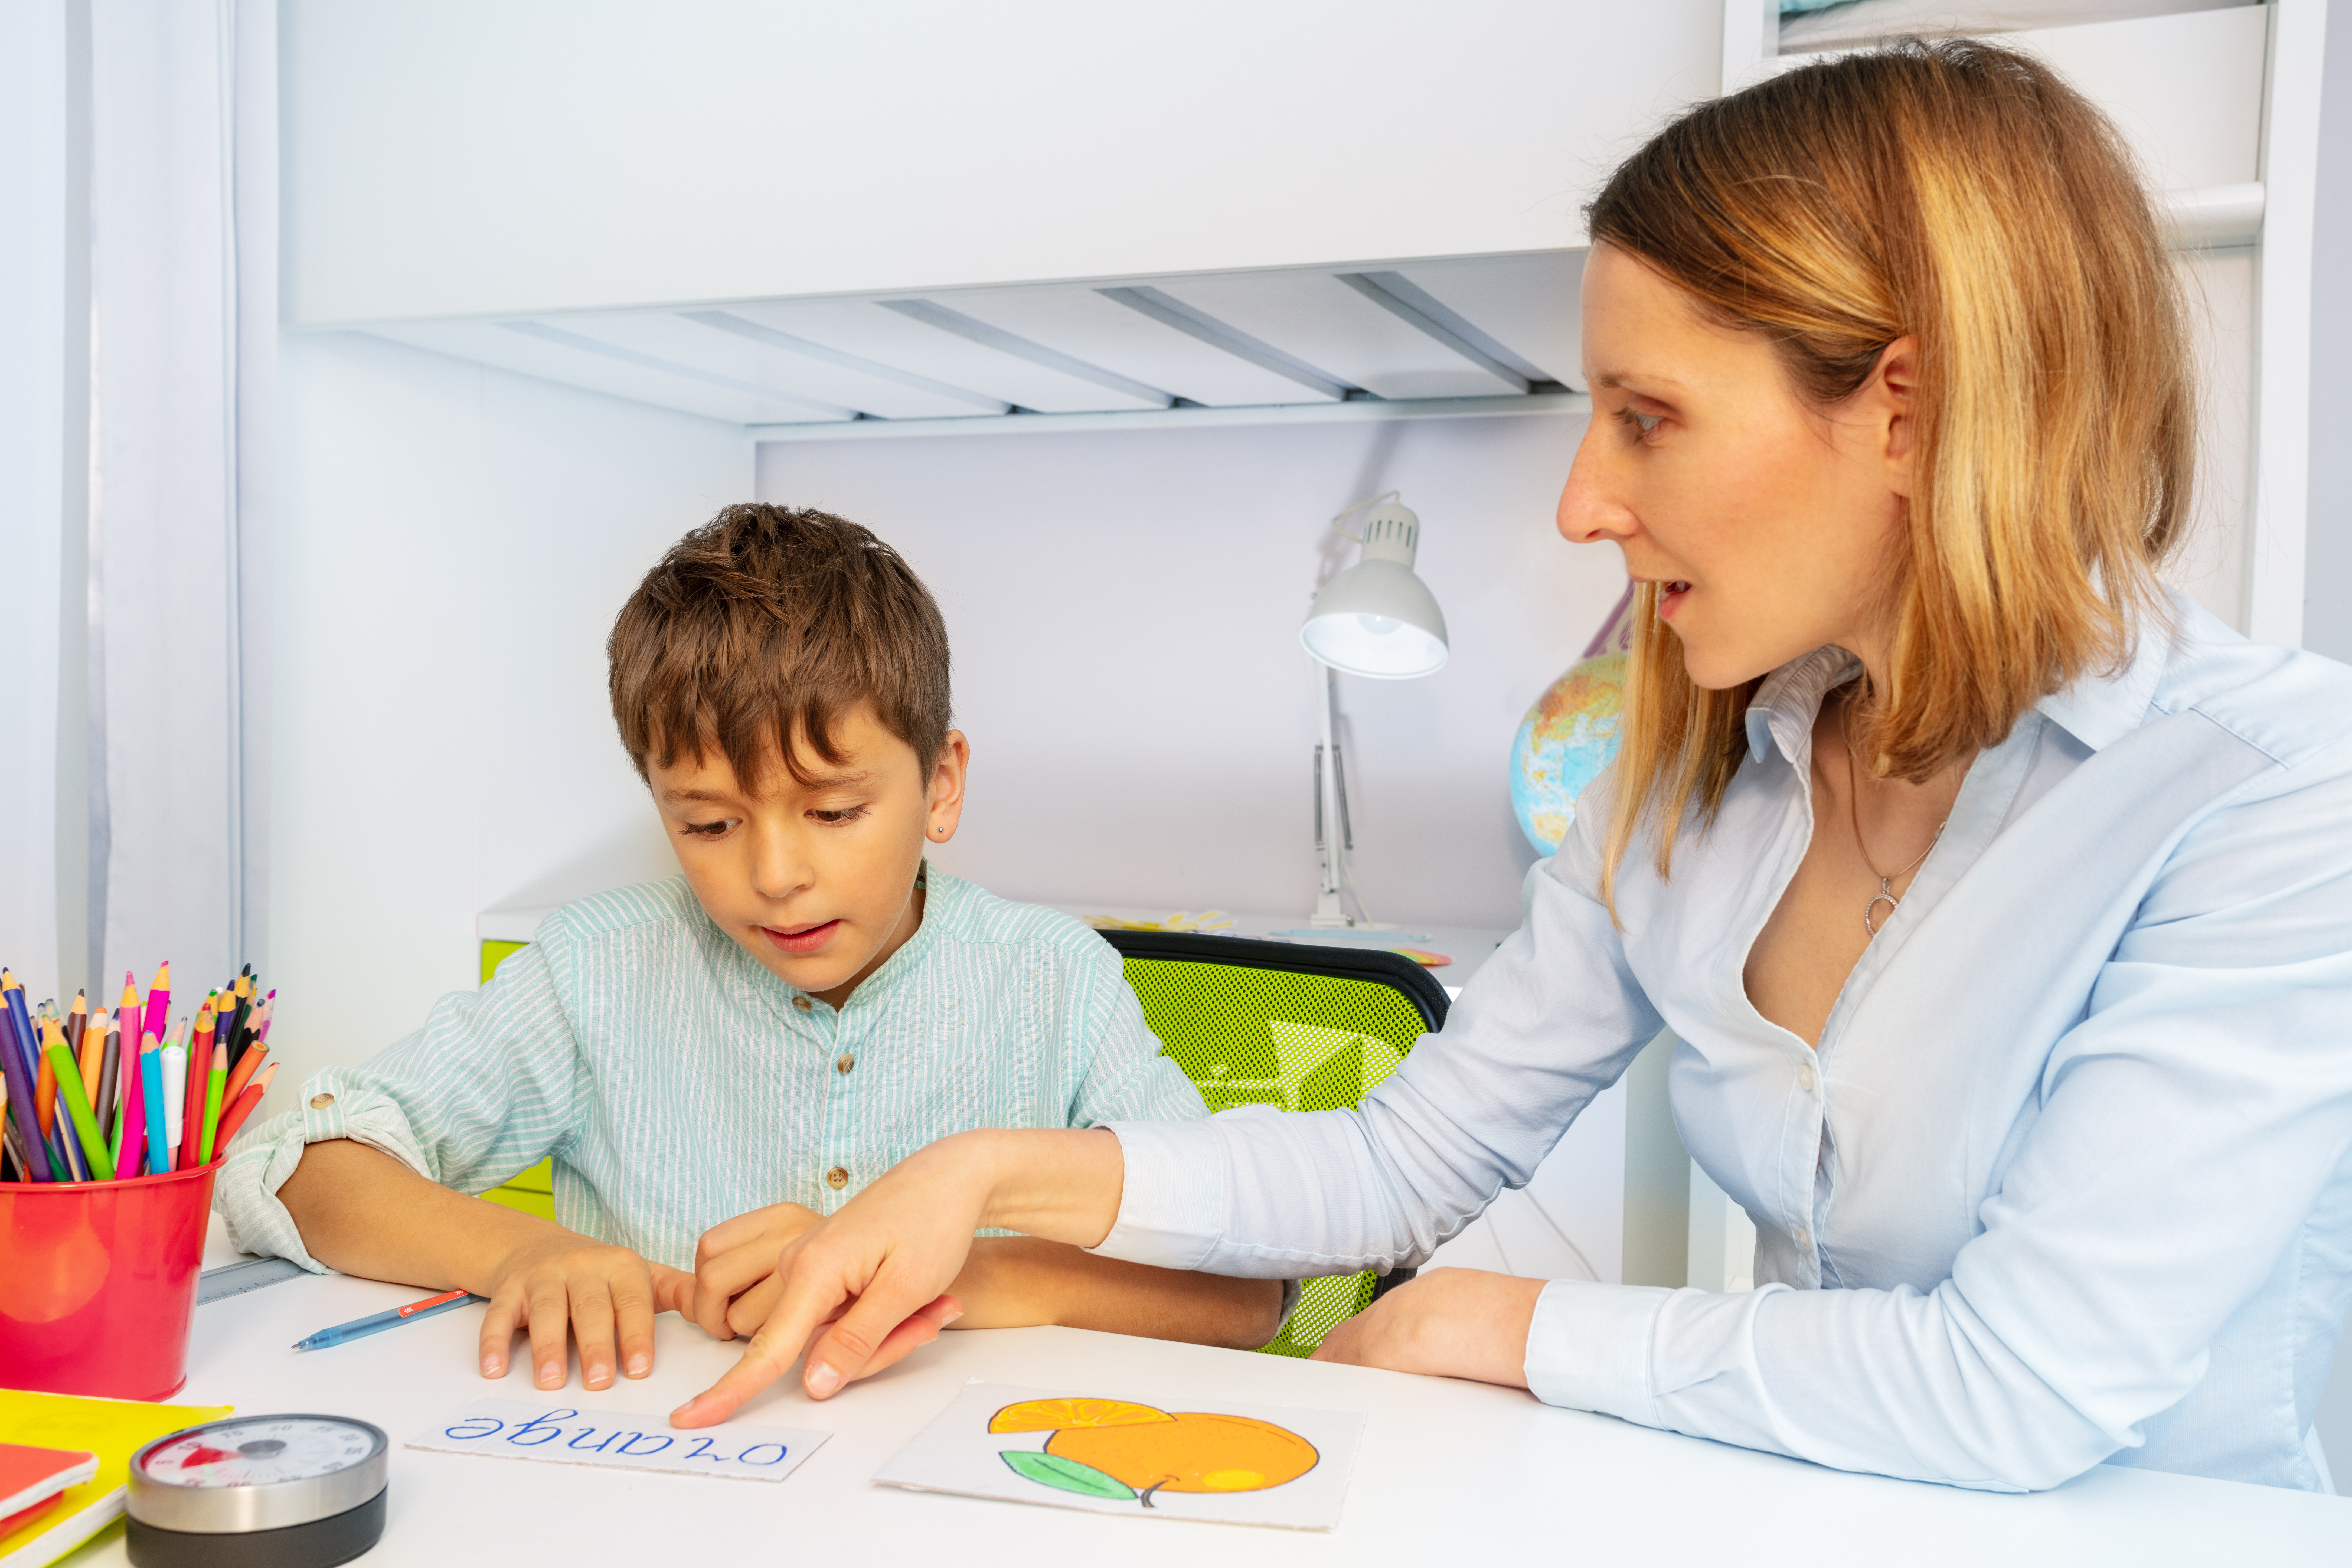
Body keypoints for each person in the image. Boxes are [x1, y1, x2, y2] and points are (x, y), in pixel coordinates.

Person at [661, 40, 2352, 1491]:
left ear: (1901, 413)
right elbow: (1405, 1159)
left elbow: (2029, 1387)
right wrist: (983, 1176)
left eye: (1648, 415)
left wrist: (1513, 1325)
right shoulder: (1700, 784)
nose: (1583, 504)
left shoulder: (2270, 793)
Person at [217, 504, 1284, 1399]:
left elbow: (1238, 1293)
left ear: (942, 784)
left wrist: (956, 1274)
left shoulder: (1056, 979)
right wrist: (522, 1250)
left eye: (831, 811)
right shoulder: (594, 967)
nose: (774, 874)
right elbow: (296, 1169)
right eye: (711, 823)